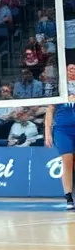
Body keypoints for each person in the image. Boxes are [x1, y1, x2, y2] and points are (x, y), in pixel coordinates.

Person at [44, 63, 75, 211]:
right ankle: (68, 197)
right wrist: (47, 133)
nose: (72, 71)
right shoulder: (59, 88)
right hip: (62, 129)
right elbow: (50, 110)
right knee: (67, 160)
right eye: (70, 69)